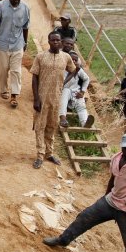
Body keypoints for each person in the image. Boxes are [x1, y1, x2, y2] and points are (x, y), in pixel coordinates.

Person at [32, 32, 77, 169]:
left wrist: (64, 83)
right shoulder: (41, 57)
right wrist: (36, 99)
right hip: (42, 97)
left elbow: (73, 70)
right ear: (49, 41)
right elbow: (34, 78)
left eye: (58, 40)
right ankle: (40, 155)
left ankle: (49, 153)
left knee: (52, 126)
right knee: (40, 126)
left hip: (56, 98)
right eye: (53, 40)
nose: (56, 42)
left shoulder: (66, 57)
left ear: (61, 42)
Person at [0, 0, 30, 108]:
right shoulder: (1, 6)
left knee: (16, 71)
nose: (17, 1)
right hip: (2, 43)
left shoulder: (25, 8)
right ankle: (3, 90)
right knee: (3, 69)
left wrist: (25, 42)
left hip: (17, 44)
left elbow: (25, 27)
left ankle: (14, 95)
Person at [59, 52, 94, 128]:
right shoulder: (62, 69)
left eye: (75, 60)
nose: (74, 62)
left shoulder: (78, 69)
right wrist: (74, 72)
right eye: (72, 60)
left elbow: (86, 79)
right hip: (63, 91)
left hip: (75, 91)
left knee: (81, 105)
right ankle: (63, 118)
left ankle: (85, 123)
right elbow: (63, 84)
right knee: (65, 94)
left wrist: (82, 91)